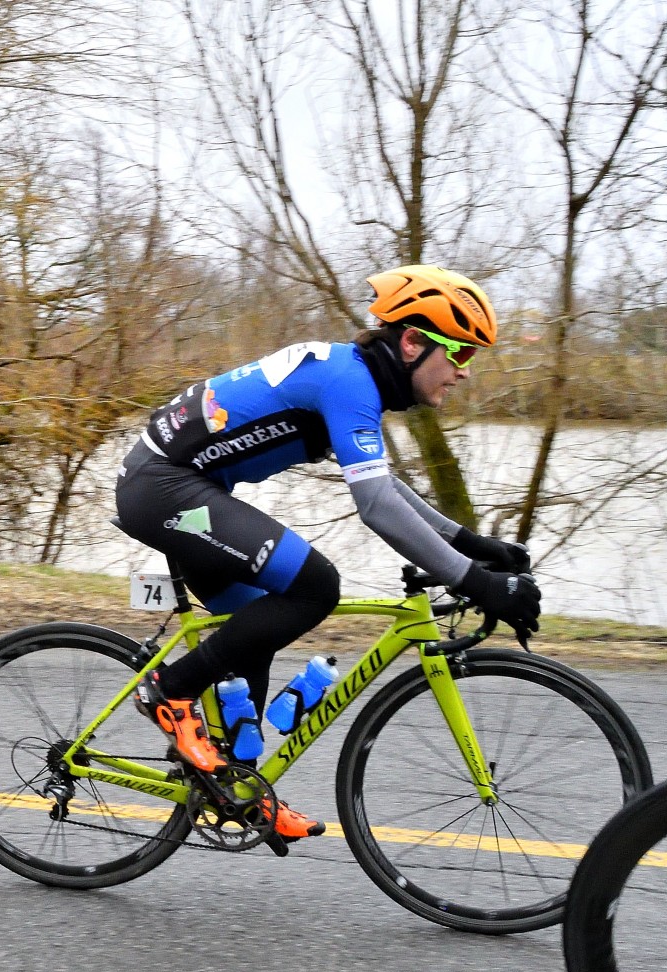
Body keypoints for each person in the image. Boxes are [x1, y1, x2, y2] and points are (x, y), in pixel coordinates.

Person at [115, 264, 539, 839]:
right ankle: (170, 693)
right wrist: (475, 581)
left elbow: (384, 485)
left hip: (177, 485)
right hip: (164, 488)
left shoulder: (353, 377)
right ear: (412, 343)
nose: (464, 371)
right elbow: (376, 506)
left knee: (253, 631)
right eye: (459, 353)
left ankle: (238, 788)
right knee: (316, 586)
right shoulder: (348, 381)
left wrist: (467, 543)